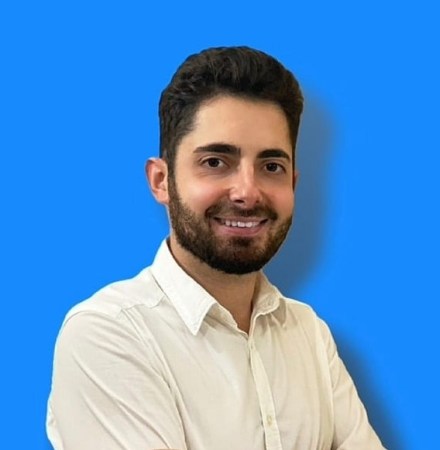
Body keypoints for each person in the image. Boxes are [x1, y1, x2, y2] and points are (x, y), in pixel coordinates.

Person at [47, 46, 386, 450]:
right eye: (215, 162)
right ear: (161, 181)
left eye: (271, 167)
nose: (247, 192)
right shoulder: (108, 333)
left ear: (293, 184)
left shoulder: (308, 333)